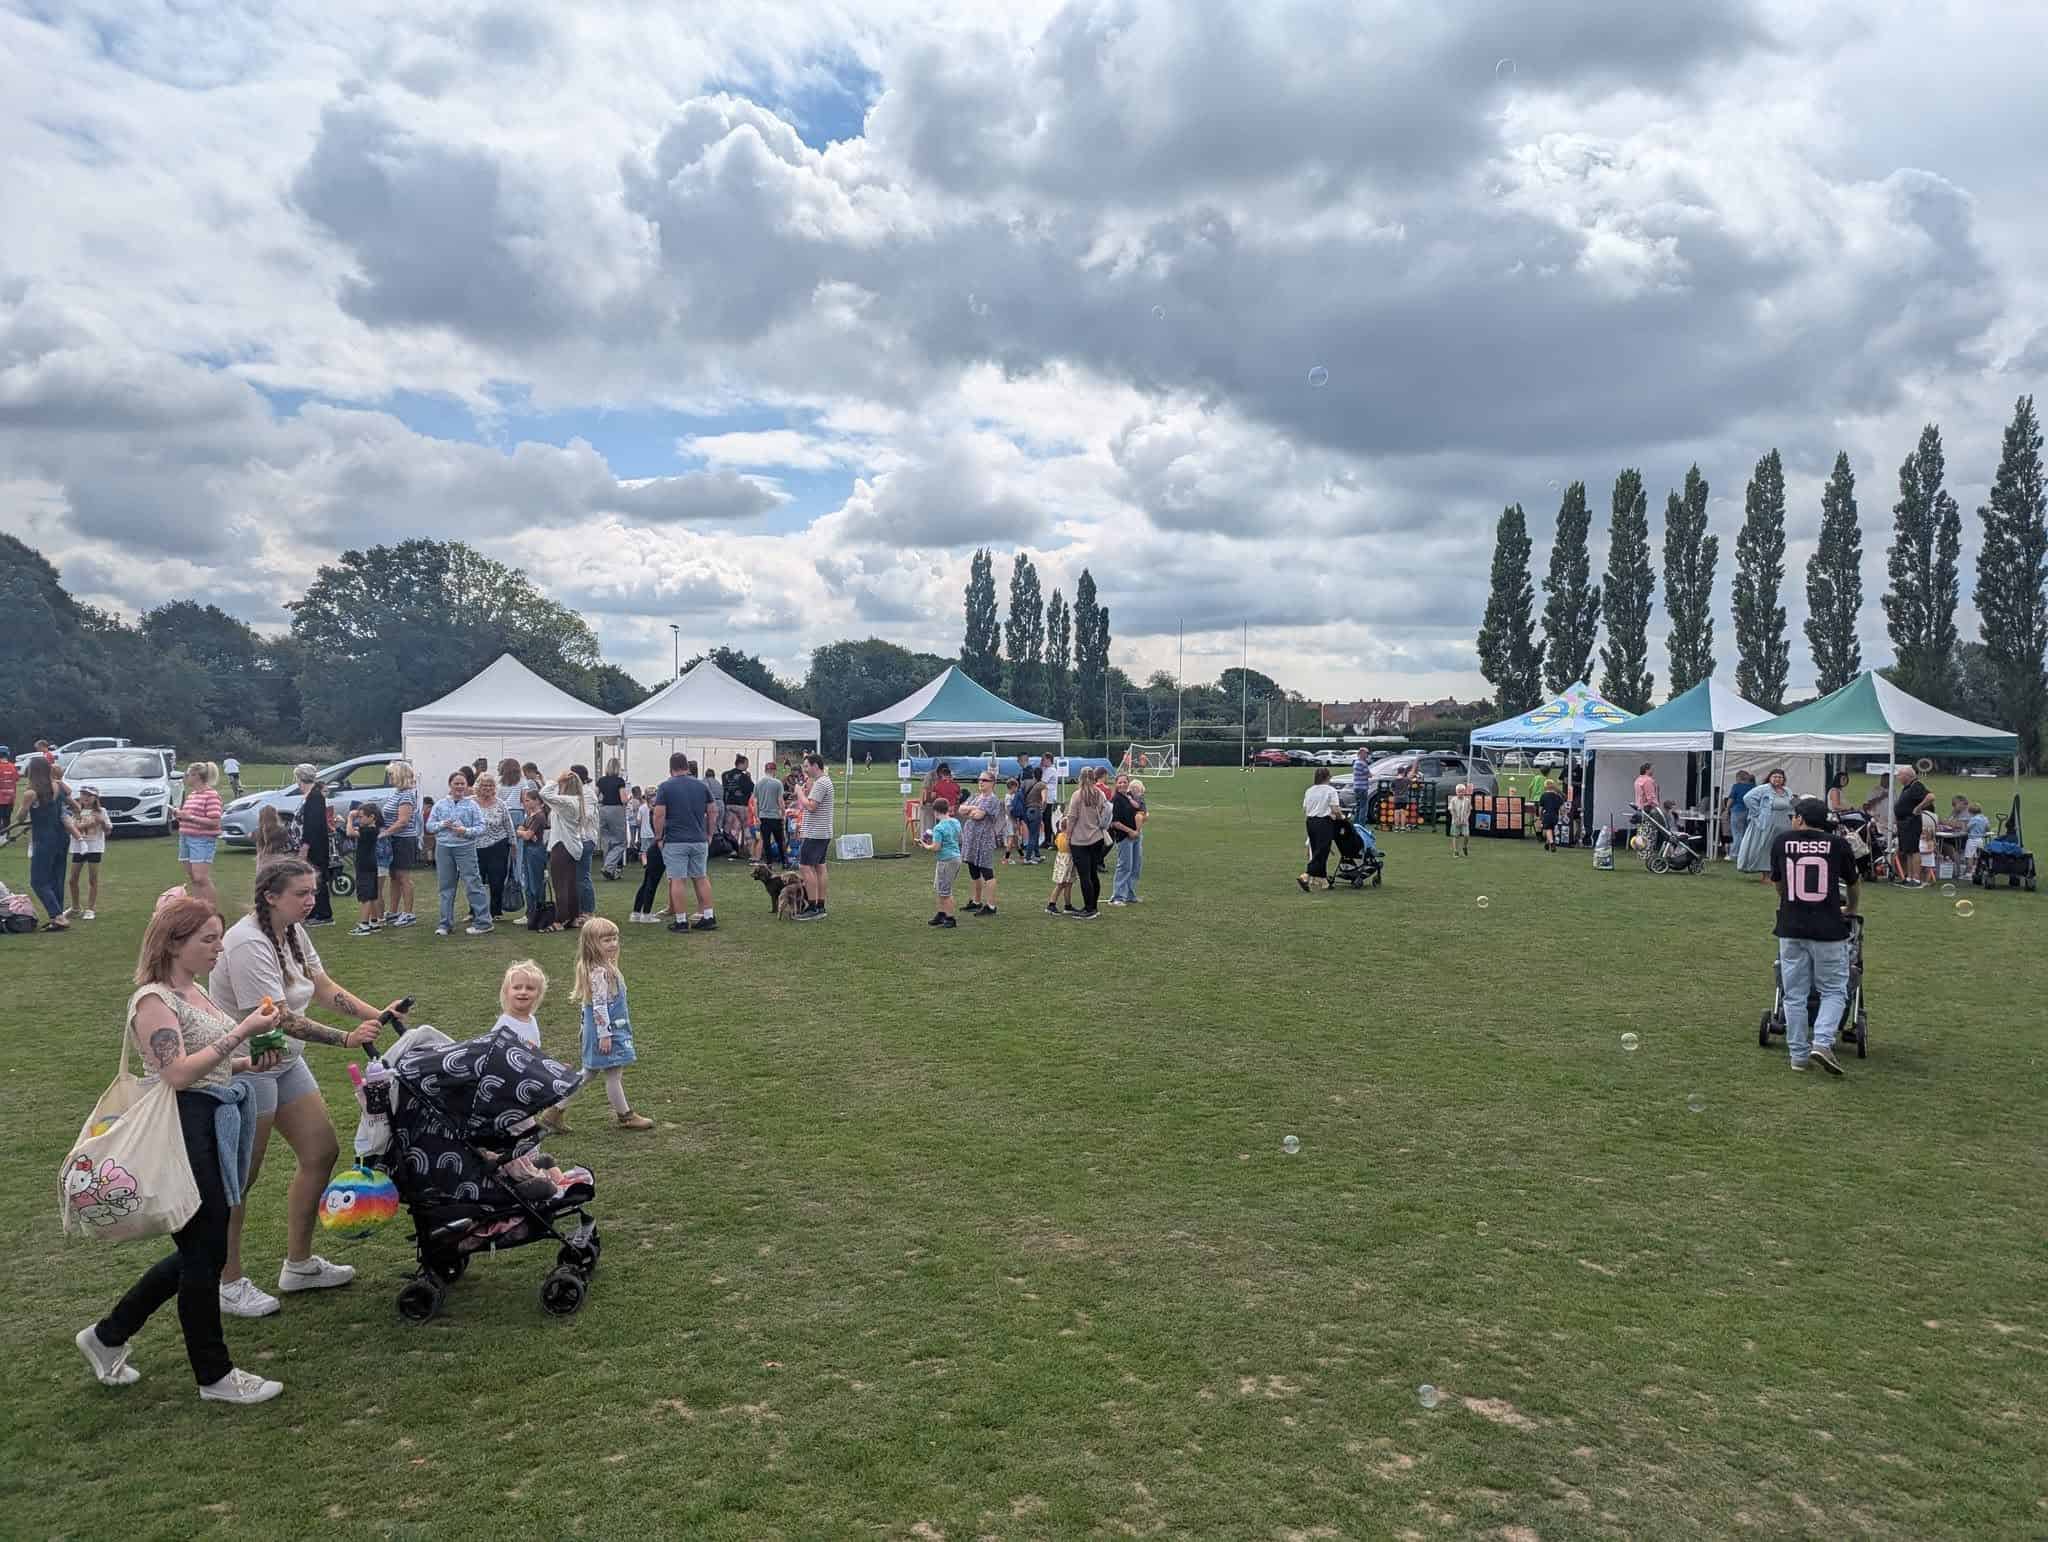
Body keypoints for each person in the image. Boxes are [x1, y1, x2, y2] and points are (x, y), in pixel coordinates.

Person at [76, 893, 287, 1404]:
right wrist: (242, 1032)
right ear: (174, 944)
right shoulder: (154, 1000)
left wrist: (245, 1064)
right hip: (183, 1129)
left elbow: (205, 1065)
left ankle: (108, 1335)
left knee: (200, 1250)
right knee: (205, 1253)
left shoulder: (195, 991)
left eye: (218, 936)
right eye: (207, 939)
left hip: (211, 1120)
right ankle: (214, 1376)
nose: (218, 947)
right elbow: (174, 1074)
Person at [210, 859, 394, 1317]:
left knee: (320, 1152)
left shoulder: (291, 930)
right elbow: (279, 1018)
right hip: (249, 1068)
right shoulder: (248, 943)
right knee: (239, 1181)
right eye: (301, 893)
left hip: (285, 1061)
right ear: (271, 896)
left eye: (313, 892)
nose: (311, 900)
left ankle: (299, 1265)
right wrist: (345, 1039)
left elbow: (323, 985)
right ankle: (226, 1283)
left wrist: (378, 1016)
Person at [1769, 798, 1859, 1075]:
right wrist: (1851, 909)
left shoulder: (1782, 842)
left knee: (1793, 994)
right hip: (1828, 927)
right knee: (1833, 989)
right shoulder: (1838, 844)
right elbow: (1854, 882)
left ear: (1800, 818)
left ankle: (1797, 1055)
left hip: (1791, 926)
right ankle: (1821, 1041)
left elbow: (1778, 883)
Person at [574, 919, 654, 1129]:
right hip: (606, 1031)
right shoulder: (600, 973)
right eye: (606, 940)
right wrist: (605, 1034)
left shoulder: (601, 967)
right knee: (613, 1073)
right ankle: (625, 1115)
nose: (613, 944)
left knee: (590, 1072)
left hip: (604, 1029)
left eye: (614, 938)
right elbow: (599, 1006)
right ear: (592, 944)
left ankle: (554, 1111)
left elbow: (589, 1006)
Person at [652, 752, 716, 933]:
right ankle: (708, 916)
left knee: (678, 879)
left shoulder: (665, 787)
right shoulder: (701, 785)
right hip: (699, 839)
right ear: (687, 767)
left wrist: (658, 837)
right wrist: (710, 833)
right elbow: (712, 811)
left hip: (675, 840)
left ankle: (681, 920)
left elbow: (659, 814)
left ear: (671, 768)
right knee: (701, 877)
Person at [427, 769, 492, 937]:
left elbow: (482, 827)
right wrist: (442, 824)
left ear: (467, 785)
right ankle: (445, 924)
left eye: (462, 783)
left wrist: (466, 830)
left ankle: (483, 922)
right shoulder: (440, 804)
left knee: (473, 883)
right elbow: (429, 826)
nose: (459, 786)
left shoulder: (472, 805)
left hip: (465, 848)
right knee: (446, 887)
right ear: (450, 785)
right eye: (456, 783)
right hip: (444, 848)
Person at [12, 755, 72, 929]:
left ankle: (57, 916)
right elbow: (70, 801)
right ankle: (57, 917)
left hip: (44, 838)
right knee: (56, 878)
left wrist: (25, 808)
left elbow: (21, 817)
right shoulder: (57, 786)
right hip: (61, 837)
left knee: (38, 881)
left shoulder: (31, 792)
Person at [538, 771, 587, 930]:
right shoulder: (577, 801)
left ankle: (560, 920)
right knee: (571, 883)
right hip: (571, 845)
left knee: (560, 883)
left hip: (562, 844)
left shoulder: (567, 801)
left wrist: (556, 781)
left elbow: (544, 794)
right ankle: (573, 916)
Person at [174, 761, 223, 910]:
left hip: (202, 840)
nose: (186, 777)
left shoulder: (211, 796)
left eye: (188, 775)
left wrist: (189, 817)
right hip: (186, 838)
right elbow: (189, 816)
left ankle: (212, 911)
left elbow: (215, 821)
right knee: (194, 878)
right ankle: (199, 910)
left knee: (201, 878)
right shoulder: (192, 795)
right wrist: (179, 816)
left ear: (196, 776)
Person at [1063, 765, 1111, 918]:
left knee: (1084, 877)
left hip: (1080, 840)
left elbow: (1072, 818)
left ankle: (1088, 908)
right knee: (1093, 875)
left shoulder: (1077, 795)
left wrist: (1068, 836)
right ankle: (1094, 906)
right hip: (1096, 838)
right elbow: (1105, 811)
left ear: (1080, 778)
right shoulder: (1100, 794)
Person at [380, 763, 422, 928]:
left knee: (403, 877)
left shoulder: (406, 795)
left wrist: (385, 833)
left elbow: (403, 821)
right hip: (394, 839)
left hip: (403, 840)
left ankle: (409, 913)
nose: (389, 778)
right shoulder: (396, 793)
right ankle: (393, 911)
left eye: (391, 775)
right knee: (394, 877)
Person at [958, 771, 1005, 917]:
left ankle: (990, 905)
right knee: (973, 871)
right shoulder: (974, 797)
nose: (981, 782)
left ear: (992, 783)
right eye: (979, 779)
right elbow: (960, 809)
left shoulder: (992, 800)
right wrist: (973, 809)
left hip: (984, 840)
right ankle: (976, 901)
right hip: (971, 839)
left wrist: (971, 811)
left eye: (984, 780)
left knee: (987, 872)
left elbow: (978, 816)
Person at [795, 753, 834, 920]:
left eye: (806, 766)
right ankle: (820, 905)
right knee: (819, 867)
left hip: (816, 833)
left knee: (805, 867)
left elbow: (811, 806)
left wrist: (799, 793)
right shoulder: (823, 782)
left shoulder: (822, 783)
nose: (805, 769)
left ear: (815, 766)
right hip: (821, 832)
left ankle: (812, 906)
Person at [65, 784, 111, 920]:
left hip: (95, 847)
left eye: (88, 795)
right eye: (83, 794)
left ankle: (90, 908)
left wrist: (102, 823)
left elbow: (108, 831)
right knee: (72, 879)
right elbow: (72, 828)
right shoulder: (75, 810)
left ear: (95, 798)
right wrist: (87, 824)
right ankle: (75, 907)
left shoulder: (101, 811)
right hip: (78, 847)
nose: (85, 797)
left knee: (93, 878)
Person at [474, 771, 515, 916]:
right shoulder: (471, 803)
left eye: (490, 785)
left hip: (498, 845)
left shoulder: (501, 804)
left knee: (496, 879)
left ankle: (495, 911)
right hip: (476, 846)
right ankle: (474, 911)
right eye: (484, 785)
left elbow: (508, 825)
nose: (487, 788)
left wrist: (513, 844)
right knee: (476, 879)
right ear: (478, 786)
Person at [1737, 768, 1793, 873]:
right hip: (1767, 823)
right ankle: (1765, 873)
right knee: (1765, 848)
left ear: (1784, 779)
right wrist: (1757, 812)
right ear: (1770, 778)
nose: (1777, 779)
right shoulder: (1764, 789)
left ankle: (1777, 871)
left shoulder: (1787, 791)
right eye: (1775, 777)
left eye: (1780, 777)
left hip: (1783, 824)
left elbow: (1790, 806)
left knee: (1779, 848)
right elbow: (1747, 798)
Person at [1299, 767, 1342, 892]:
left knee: (1317, 850)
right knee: (1322, 851)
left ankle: (1324, 881)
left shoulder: (1309, 790)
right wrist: (1341, 818)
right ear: (1328, 777)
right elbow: (1335, 809)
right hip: (1324, 822)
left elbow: (1305, 808)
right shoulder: (1330, 790)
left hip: (1310, 822)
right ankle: (1305, 875)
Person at [517, 788, 554, 930]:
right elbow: (523, 831)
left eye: (528, 800)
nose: (525, 803)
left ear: (537, 801)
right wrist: (524, 832)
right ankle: (530, 912)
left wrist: (523, 832)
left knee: (536, 884)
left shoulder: (539, 816)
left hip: (535, 852)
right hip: (529, 850)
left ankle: (538, 912)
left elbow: (526, 834)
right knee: (528, 884)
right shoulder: (530, 815)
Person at [923, 796, 962, 928]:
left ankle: (950, 918)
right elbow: (960, 838)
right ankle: (941, 914)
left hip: (946, 860)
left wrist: (926, 846)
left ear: (935, 811)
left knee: (945, 891)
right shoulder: (955, 822)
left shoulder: (938, 828)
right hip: (956, 857)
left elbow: (936, 847)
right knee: (940, 888)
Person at [629, 786, 667, 923]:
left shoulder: (650, 811)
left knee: (646, 882)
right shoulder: (656, 814)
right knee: (652, 882)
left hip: (653, 849)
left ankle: (636, 912)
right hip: (657, 850)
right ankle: (646, 913)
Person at [347, 802, 384, 935]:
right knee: (372, 894)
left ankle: (363, 924)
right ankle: (374, 921)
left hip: (364, 865)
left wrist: (350, 818)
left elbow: (350, 832)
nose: (359, 819)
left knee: (365, 896)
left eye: (361, 816)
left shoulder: (368, 830)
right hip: (371, 864)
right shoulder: (373, 829)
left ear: (372, 817)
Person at [1892, 766, 1933, 887]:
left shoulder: (1916, 785)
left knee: (1914, 850)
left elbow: (1930, 797)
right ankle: (1909, 877)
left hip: (1911, 821)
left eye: (1899, 775)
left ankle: (1916, 878)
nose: (1898, 777)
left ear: (1907, 776)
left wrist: (1918, 808)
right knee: (1908, 850)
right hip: (1904, 822)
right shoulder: (1907, 787)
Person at [1109, 772, 1145, 904]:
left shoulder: (1129, 797)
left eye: (1125, 782)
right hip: (1124, 837)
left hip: (1136, 835)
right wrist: (1130, 831)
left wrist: (1138, 828)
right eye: (1120, 782)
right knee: (1125, 866)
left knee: (1136, 866)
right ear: (1116, 785)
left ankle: (1130, 894)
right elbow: (1115, 822)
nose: (1123, 784)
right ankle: (1117, 896)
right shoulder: (1116, 800)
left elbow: (1139, 809)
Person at [570, 765, 600, 914]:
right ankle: (580, 909)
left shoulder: (587, 793)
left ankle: (588, 911)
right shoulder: (578, 792)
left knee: (582, 877)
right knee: (576, 877)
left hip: (586, 838)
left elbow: (585, 816)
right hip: (576, 838)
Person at [595, 760, 629, 879]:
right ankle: (608, 867)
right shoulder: (620, 781)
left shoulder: (601, 781)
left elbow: (595, 796)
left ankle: (610, 872)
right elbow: (623, 799)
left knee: (607, 841)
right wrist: (628, 798)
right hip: (616, 810)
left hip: (603, 810)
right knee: (621, 842)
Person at [755, 760, 787, 869]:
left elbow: (755, 802)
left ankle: (769, 863)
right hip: (775, 816)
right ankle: (784, 862)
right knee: (780, 841)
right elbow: (780, 800)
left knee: (766, 842)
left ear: (765, 770)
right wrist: (783, 813)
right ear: (774, 771)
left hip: (763, 816)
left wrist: (757, 816)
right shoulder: (777, 783)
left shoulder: (758, 784)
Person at [1043, 818, 1078, 915]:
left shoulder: (1059, 836)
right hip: (1066, 862)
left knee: (1069, 884)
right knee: (1061, 884)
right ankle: (1051, 904)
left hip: (1064, 861)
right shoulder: (1066, 837)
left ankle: (1068, 905)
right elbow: (1069, 848)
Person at [1726, 768, 1757, 860]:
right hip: (1750, 812)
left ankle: (1735, 854)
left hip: (1737, 811)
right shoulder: (1753, 786)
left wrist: (1727, 809)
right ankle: (1746, 854)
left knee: (1737, 834)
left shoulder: (1736, 786)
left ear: (1738, 778)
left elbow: (1731, 799)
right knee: (1747, 834)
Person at [1539, 779, 1566, 852]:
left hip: (1547, 815)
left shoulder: (1543, 796)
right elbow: (1562, 808)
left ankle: (1552, 843)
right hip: (1555, 816)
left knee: (1548, 829)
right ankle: (1547, 844)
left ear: (1545, 786)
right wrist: (1563, 816)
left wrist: (1540, 817)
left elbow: (1540, 808)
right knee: (1551, 830)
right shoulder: (1558, 796)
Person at [1449, 781, 1473, 857]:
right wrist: (1455, 819)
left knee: (1466, 835)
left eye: (1462, 792)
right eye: (1459, 792)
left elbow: (1469, 810)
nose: (1460, 793)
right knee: (1455, 836)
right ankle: (1456, 851)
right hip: (1455, 822)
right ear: (1456, 792)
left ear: (1464, 792)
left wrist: (1466, 818)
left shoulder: (1467, 801)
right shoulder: (1453, 800)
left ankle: (1464, 846)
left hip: (1465, 822)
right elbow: (1451, 810)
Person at [0, 744, 18, 843]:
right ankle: (6, 836)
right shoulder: (12, 766)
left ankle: (1, 837)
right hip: (10, 797)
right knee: (7, 817)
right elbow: (16, 779)